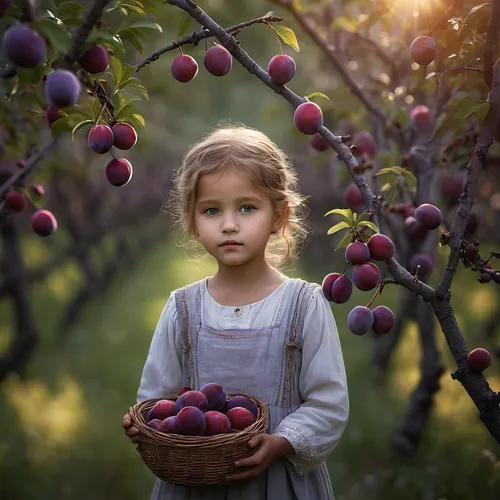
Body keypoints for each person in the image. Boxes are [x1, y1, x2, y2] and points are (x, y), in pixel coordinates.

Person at [121, 124, 349, 499]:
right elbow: (157, 399)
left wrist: (283, 441)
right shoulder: (183, 308)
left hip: (278, 482)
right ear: (193, 222)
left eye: (247, 207)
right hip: (196, 481)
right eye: (211, 210)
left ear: (278, 216)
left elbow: (329, 403)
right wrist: (142, 421)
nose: (229, 224)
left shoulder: (303, 304)